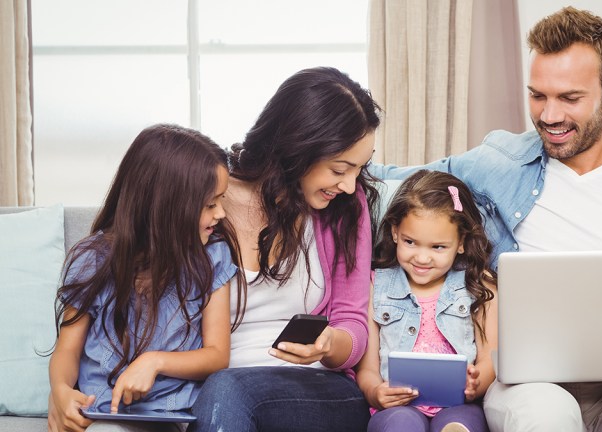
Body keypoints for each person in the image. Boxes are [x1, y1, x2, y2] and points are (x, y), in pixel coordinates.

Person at [368, 6, 602, 432]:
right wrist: (315, 168)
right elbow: (396, 180)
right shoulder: (498, 161)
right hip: (531, 383)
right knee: (546, 414)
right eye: (538, 95)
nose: (549, 116)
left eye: (570, 98)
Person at [187, 66, 381, 432]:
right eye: (339, 169)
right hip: (214, 385)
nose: (350, 185)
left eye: (359, 169)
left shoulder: (345, 211)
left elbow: (353, 323)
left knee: (228, 389)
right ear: (298, 147)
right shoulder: (209, 202)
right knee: (224, 389)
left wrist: (328, 344)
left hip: (318, 390)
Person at [48, 124, 245, 432]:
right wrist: (60, 390)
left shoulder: (213, 257)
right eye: (210, 204)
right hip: (102, 410)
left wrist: (154, 361)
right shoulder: (92, 259)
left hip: (170, 413)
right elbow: (67, 349)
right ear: (167, 208)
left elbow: (217, 355)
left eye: (221, 200)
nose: (221, 213)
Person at [357, 170, 498, 432]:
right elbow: (367, 369)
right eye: (411, 242)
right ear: (395, 232)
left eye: (438, 247)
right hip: (397, 407)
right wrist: (375, 392)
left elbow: (491, 358)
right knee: (401, 425)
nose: (422, 258)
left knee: (459, 426)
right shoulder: (376, 285)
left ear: (461, 243)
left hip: (460, 405)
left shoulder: (479, 284)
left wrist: (477, 383)